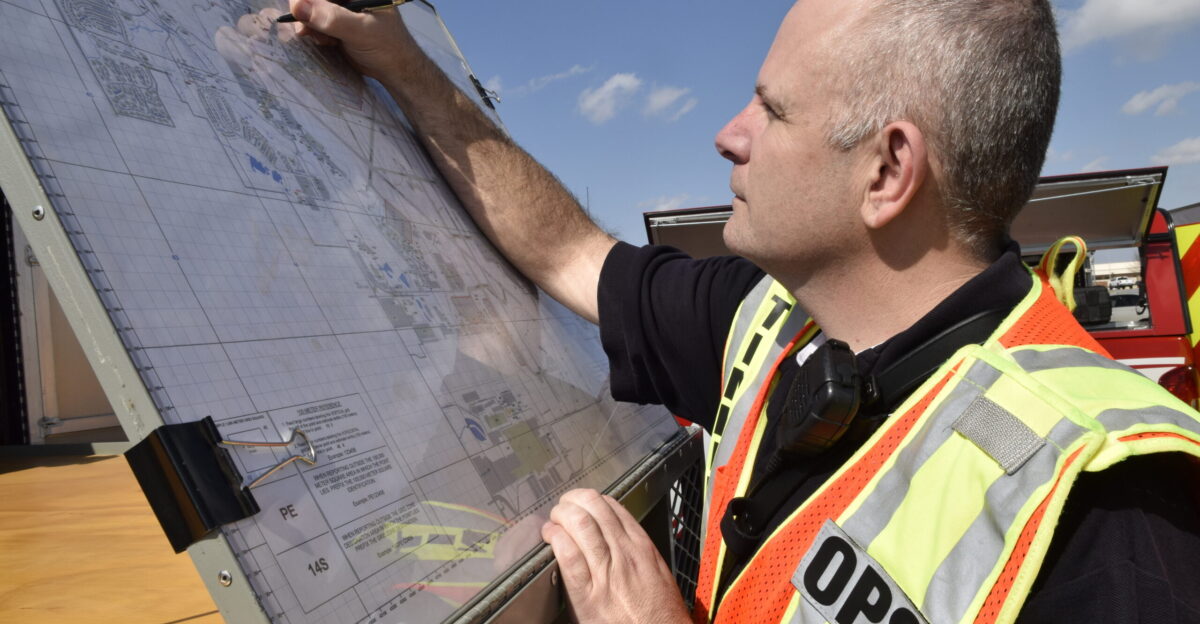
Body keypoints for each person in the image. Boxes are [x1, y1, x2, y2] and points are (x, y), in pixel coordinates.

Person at [286, 0, 1200, 621]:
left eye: (771, 110)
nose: (730, 135)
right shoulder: (762, 325)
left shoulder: (1115, 518)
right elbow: (567, 249)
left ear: (887, 172)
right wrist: (401, 66)